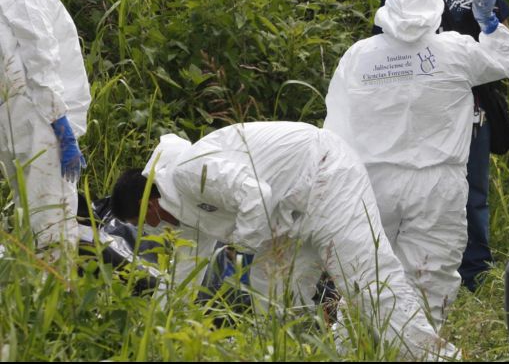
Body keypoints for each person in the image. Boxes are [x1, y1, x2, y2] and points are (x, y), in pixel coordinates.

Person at [109, 121, 456, 360]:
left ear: (149, 205)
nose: (149, 232)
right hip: (286, 216)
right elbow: (182, 278)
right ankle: (306, 353)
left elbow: (255, 194)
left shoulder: (189, 171)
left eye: (143, 223)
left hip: (325, 176)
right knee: (271, 297)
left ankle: (435, 357)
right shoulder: (182, 217)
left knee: (367, 283)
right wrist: (154, 328)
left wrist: (241, 251)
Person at [324, 0, 509, 326]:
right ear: (436, 0)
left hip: (372, 182)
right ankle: (419, 348)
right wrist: (490, 26)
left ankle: (357, 349)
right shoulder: (456, 50)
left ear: (389, 3)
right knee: (430, 281)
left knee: (368, 278)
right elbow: (502, 64)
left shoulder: (358, 56)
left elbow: (335, 127)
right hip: (437, 185)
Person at [374, 0, 509, 291]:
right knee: (422, 187)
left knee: (473, 189)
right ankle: (420, 270)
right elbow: (383, 45)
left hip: (473, 103)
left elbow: (504, 39)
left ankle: (475, 273)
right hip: (421, 107)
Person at [0, 0, 90, 252]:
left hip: (28, 122)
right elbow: (42, 60)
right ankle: (57, 297)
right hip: (42, 125)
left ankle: (31, 297)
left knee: (34, 217)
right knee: (52, 219)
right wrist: (60, 124)